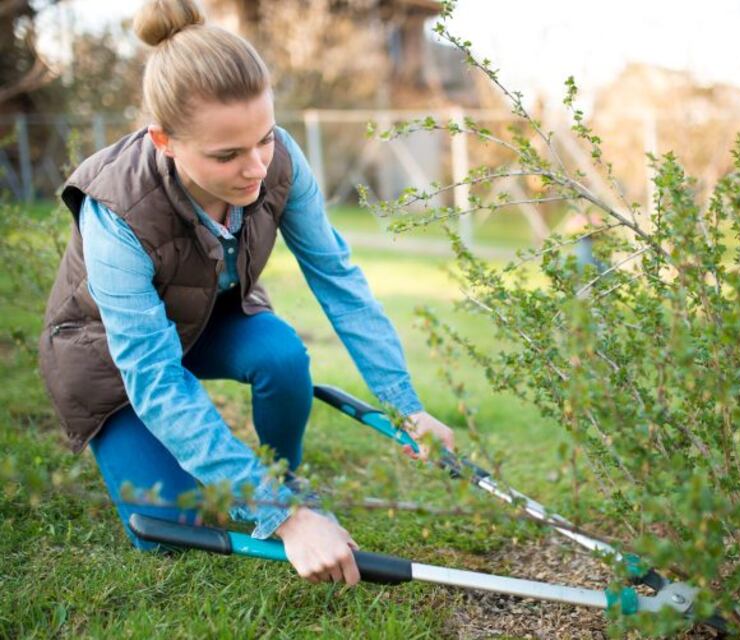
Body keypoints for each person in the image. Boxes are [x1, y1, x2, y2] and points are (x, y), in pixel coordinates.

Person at [37, 0, 454, 587]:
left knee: (282, 355)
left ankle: (283, 481)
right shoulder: (116, 212)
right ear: (165, 141)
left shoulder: (279, 156)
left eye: (262, 139)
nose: (256, 166)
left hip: (206, 319)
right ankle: (283, 507)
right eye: (227, 155)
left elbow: (338, 279)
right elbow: (155, 379)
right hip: (109, 358)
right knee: (168, 525)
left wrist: (404, 404)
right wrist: (284, 522)